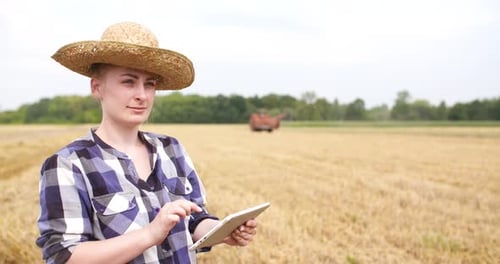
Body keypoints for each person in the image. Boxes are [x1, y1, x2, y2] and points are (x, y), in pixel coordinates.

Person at [36, 21, 258, 264]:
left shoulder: (172, 149)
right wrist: (150, 234)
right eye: (128, 82)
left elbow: (194, 221)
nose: (142, 95)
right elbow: (64, 256)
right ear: (97, 87)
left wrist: (222, 231)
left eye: (149, 84)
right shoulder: (68, 164)